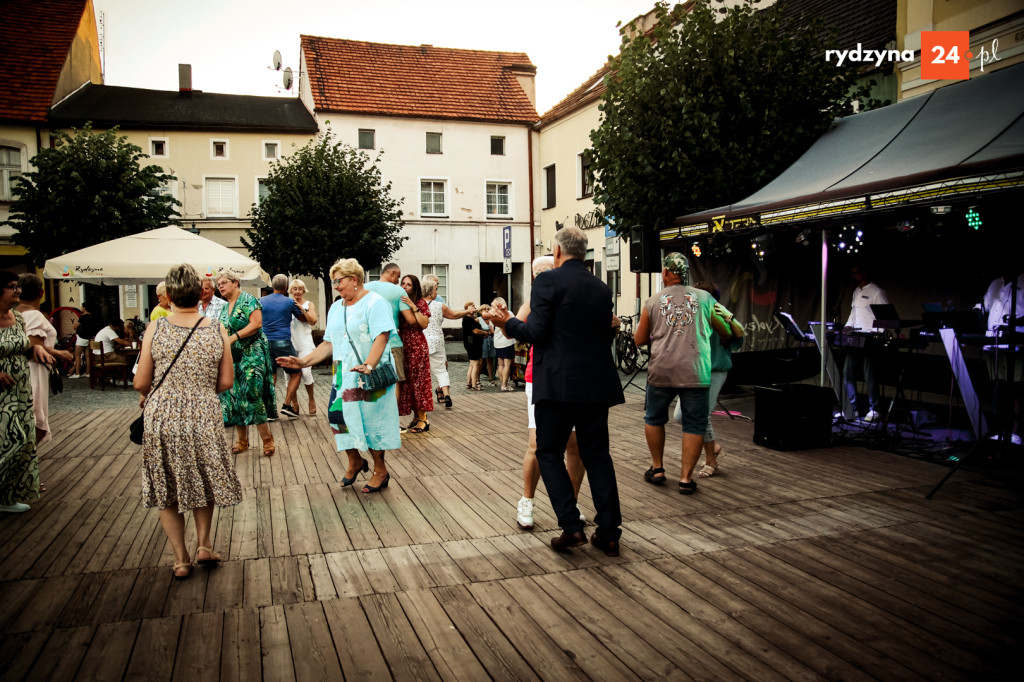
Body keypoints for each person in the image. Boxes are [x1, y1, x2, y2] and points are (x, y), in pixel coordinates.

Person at [486, 227, 624, 556]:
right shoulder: (601, 288)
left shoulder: (548, 281)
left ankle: (571, 525)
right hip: (596, 384)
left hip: (558, 384)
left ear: (558, 252)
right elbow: (603, 334)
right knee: (598, 456)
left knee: (548, 452)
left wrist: (505, 322)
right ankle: (609, 532)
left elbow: (536, 332)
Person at [134, 264, 242, 579]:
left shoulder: (156, 329)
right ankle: (205, 544)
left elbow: (141, 383)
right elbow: (225, 382)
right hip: (203, 414)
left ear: (167, 296)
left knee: (166, 484)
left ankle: (181, 559)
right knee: (203, 478)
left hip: (163, 415)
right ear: (200, 295)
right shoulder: (215, 328)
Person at [277, 258, 400, 494]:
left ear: (354, 279)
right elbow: (328, 343)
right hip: (343, 374)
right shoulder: (337, 307)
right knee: (337, 417)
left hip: (369, 373)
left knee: (369, 421)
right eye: (334, 281)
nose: (336, 286)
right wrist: (303, 361)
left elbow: (382, 337)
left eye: (339, 281)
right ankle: (355, 460)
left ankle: (380, 470)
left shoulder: (375, 303)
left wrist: (369, 364)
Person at [634, 253, 727, 496]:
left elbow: (639, 339)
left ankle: (657, 469)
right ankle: (686, 479)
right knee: (694, 423)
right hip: (696, 370)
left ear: (666, 272)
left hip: (661, 370)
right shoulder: (706, 298)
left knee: (654, 417)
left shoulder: (653, 301)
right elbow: (727, 328)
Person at [513, 256, 585, 530]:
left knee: (574, 444)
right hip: (540, 377)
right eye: (538, 273)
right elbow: (516, 329)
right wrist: (505, 318)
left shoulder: (572, 298)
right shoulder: (533, 302)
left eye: (548, 271)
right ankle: (527, 500)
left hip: (572, 377)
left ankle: (570, 503)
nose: (543, 276)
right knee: (538, 443)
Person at [0, 271, 53, 513]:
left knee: (25, 438)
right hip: (2, 389)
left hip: (21, 387)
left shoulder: (18, 319)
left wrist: (35, 351)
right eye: (12, 287)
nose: (17, 291)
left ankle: (8, 496)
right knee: (7, 439)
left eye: (18, 287)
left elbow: (23, 346)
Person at [216, 269, 277, 456]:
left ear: (235, 282)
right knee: (233, 397)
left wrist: (234, 337)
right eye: (219, 285)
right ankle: (242, 441)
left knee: (253, 394)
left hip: (253, 354)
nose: (221, 287)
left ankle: (267, 441)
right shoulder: (224, 306)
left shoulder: (249, 299)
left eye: (224, 283)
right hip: (232, 357)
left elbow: (256, 324)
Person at [687, 281, 745, 478]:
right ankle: (714, 447)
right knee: (681, 415)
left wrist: (728, 323)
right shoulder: (693, 314)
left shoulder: (720, 312)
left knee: (702, 416)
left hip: (715, 370)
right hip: (696, 371)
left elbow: (738, 337)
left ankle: (711, 460)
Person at [17, 273, 73, 447]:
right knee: (36, 420)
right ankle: (26, 461)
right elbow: (35, 346)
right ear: (41, 293)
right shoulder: (34, 314)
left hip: (23, 368)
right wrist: (59, 353)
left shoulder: (12, 314)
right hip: (34, 370)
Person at [979, 263, 1024, 445]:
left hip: (1017, 344)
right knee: (998, 386)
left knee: (1016, 388)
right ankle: (1000, 428)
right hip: (994, 345)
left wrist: (1014, 322)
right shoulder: (995, 283)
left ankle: (1014, 432)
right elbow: (986, 307)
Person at [365, 263, 417, 409]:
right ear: (393, 273)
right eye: (398, 277)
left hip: (369, 343)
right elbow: (411, 320)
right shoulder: (398, 291)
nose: (397, 281)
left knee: (371, 381)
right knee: (395, 382)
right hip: (392, 342)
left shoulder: (366, 288)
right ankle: (393, 422)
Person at [841, 265, 889, 422]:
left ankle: (874, 409)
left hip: (870, 339)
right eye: (852, 273)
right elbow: (853, 313)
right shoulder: (856, 292)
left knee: (870, 376)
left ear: (865, 272)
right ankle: (851, 408)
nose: (854, 276)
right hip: (855, 337)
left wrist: (879, 334)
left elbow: (886, 317)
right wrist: (848, 326)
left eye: (856, 272)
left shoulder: (876, 292)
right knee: (848, 373)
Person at [260, 274, 308, 418]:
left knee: (270, 375)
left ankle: (269, 411)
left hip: (265, 341)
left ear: (272, 286)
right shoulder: (289, 302)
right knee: (296, 373)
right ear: (286, 287)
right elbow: (302, 318)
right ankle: (287, 405)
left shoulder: (260, 301)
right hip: (282, 341)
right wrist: (303, 309)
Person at [421, 274, 472, 408]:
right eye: (435, 289)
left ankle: (423, 397)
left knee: (422, 370)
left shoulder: (416, 305)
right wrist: (467, 312)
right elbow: (454, 315)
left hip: (422, 340)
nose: (437, 291)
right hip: (437, 339)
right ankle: (446, 394)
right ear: (431, 292)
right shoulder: (439, 305)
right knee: (441, 369)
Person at [397, 274, 432, 433]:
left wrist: (413, 306)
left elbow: (424, 324)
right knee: (408, 382)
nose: (405, 286)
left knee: (419, 381)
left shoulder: (421, 302)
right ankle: (415, 416)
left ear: (415, 287)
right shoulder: (399, 302)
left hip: (417, 344)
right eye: (403, 283)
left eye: (408, 284)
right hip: (403, 343)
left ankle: (423, 418)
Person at [288, 278, 319, 416]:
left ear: (303, 290)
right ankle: (294, 403)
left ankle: (311, 399)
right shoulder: (287, 304)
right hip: (290, 344)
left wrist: (302, 309)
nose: (297, 292)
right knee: (290, 376)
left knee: (306, 373)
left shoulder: (308, 304)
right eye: (294, 289)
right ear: (291, 291)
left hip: (305, 344)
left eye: (300, 289)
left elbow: (313, 321)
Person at [492, 296, 517, 391]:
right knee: (507, 364)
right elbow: (515, 324)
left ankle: (502, 384)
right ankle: (504, 385)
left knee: (500, 364)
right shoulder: (508, 313)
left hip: (497, 342)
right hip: (507, 341)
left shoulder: (493, 314)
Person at [69, 300, 99, 379]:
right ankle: (88, 372)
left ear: (85, 308)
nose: (81, 308)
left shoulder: (83, 317)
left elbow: (75, 327)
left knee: (78, 355)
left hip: (82, 337)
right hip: (90, 337)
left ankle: (77, 373)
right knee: (87, 355)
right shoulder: (93, 317)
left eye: (82, 306)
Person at [461, 302, 486, 390]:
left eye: (474, 306)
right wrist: (486, 333)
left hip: (471, 343)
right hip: (473, 343)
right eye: (472, 306)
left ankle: (469, 383)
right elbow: (476, 331)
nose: (474, 307)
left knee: (472, 364)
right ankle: (474, 385)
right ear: (467, 308)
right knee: (476, 364)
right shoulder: (468, 319)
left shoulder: (469, 318)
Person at [479, 304, 497, 386]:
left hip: (490, 340)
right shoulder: (478, 320)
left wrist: (490, 331)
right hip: (483, 341)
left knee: (490, 360)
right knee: (481, 361)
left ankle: (491, 378)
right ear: (480, 311)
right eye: (485, 309)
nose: (486, 311)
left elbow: (492, 332)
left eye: (488, 309)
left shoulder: (491, 320)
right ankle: (477, 379)